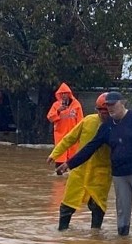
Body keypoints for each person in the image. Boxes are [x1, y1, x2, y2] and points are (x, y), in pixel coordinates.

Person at [57, 92, 132, 238]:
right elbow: (90, 147)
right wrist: (69, 164)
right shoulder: (107, 126)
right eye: (107, 105)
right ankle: (123, 240)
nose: (109, 108)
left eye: (112, 104)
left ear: (123, 103)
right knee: (122, 210)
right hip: (119, 174)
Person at [47, 93, 112, 231]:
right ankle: (62, 232)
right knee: (67, 204)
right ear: (97, 110)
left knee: (98, 206)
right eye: (102, 111)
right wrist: (55, 154)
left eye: (108, 112)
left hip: (101, 174)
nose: (105, 115)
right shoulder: (88, 121)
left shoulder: (117, 126)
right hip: (79, 171)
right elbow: (69, 139)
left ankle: (95, 236)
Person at [47, 82, 84, 166]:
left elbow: (81, 120)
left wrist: (80, 135)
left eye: (65, 93)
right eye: (61, 93)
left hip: (73, 135)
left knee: (73, 159)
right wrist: (58, 111)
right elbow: (50, 118)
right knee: (60, 157)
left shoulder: (77, 105)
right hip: (60, 135)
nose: (63, 95)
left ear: (69, 94)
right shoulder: (56, 105)